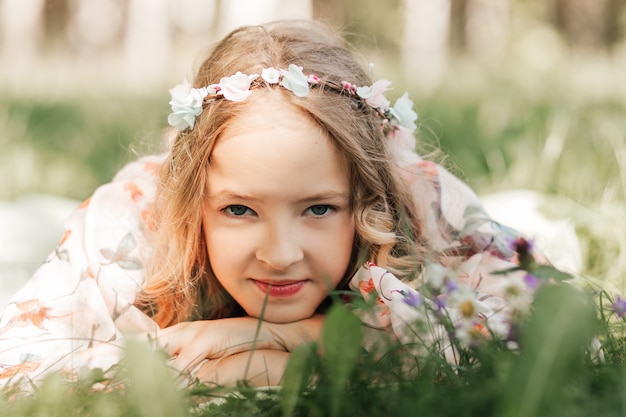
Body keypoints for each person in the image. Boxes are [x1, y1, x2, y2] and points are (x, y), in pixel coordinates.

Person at [0, 20, 535, 388]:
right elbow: (22, 375)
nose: (280, 255)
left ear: (369, 198)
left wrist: (294, 341)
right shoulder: (134, 219)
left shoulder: (420, 199)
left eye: (319, 209)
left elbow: (556, 343)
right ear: (193, 200)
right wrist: (216, 372)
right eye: (239, 210)